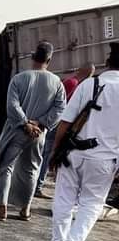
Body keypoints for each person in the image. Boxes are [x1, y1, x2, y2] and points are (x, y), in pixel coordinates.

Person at [44, 43, 119, 241]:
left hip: (73, 153)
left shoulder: (89, 84)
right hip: (105, 160)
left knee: (64, 198)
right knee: (92, 203)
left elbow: (65, 122)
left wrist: (55, 152)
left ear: (108, 62)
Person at [0, 41, 66, 222]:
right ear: (49, 60)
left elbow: (12, 105)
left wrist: (25, 123)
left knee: (5, 167)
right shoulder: (57, 83)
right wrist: (40, 123)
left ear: (32, 57)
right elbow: (60, 109)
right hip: (39, 133)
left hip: (16, 131)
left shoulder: (19, 79)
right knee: (32, 169)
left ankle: (2, 207)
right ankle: (26, 209)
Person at [35, 63, 94, 198]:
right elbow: (63, 106)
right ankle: (37, 185)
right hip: (59, 124)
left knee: (45, 153)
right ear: (88, 74)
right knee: (47, 154)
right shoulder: (74, 84)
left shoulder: (71, 82)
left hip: (57, 123)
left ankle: (37, 183)